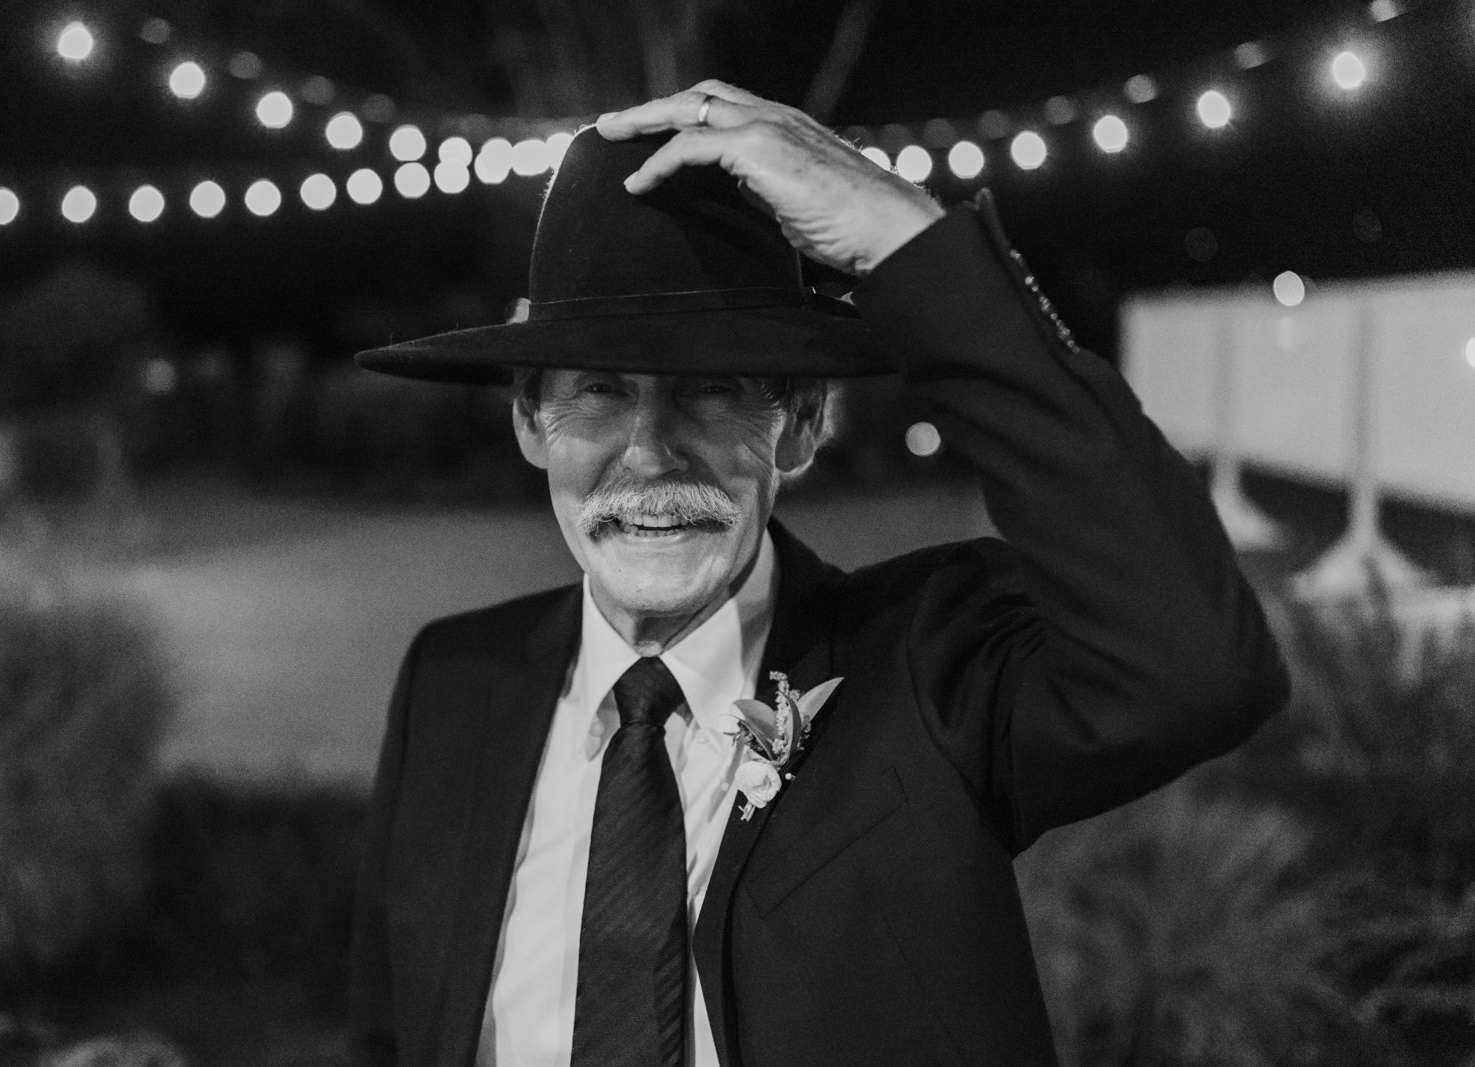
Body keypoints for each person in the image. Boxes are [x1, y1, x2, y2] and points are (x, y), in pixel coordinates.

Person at [349, 81, 1289, 1067]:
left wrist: (905, 243)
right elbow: (392, 1032)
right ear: (529, 421)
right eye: (597, 392)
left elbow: (1197, 666)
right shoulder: (453, 681)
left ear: (800, 421)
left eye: (709, 391)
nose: (648, 454)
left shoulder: (929, 667)